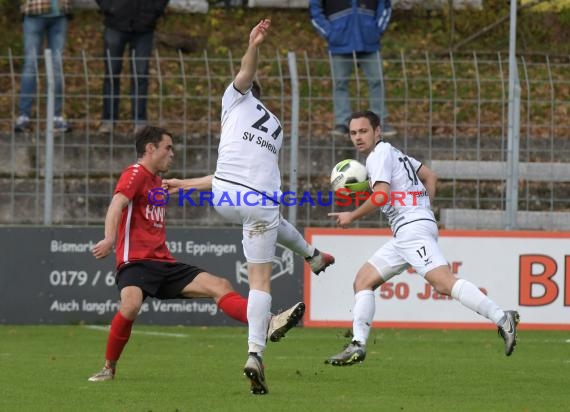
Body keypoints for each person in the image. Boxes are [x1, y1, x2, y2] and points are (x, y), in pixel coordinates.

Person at [164, 19, 335, 395]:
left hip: (225, 195)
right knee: (260, 276)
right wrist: (185, 182)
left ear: (243, 91)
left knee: (271, 218)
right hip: (257, 201)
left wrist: (253, 44)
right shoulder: (274, 124)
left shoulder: (235, 98)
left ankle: (313, 255)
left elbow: (245, 70)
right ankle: (255, 353)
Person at [87, 125, 304, 382]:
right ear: (150, 148)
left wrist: (190, 186)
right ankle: (108, 368)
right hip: (136, 262)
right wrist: (110, 238)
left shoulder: (158, 182)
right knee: (131, 305)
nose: (172, 154)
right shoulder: (135, 173)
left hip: (163, 263)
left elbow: (213, 181)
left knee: (220, 285)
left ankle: (266, 323)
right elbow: (116, 204)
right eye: (168, 148)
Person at [326, 110, 519, 366]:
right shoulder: (395, 153)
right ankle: (358, 345)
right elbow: (430, 176)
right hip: (409, 229)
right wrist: (423, 209)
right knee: (363, 281)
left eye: (364, 131)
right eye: (353, 133)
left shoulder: (378, 155)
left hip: (411, 228)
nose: (358, 137)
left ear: (377, 131)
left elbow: (381, 195)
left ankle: (502, 317)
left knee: (443, 283)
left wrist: (351, 215)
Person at [309, 0, 396, 138]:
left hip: (369, 39)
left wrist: (376, 29)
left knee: (377, 81)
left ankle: (380, 121)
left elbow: (385, 5)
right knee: (340, 84)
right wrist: (330, 33)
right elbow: (315, 8)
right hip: (339, 41)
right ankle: (342, 123)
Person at [96, 0, 169, 133]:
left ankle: (139, 121)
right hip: (115, 23)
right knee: (111, 74)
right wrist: (110, 7)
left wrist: (154, 12)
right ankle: (108, 120)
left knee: (140, 75)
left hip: (144, 26)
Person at [14, 0, 72, 133]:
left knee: (56, 67)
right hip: (34, 12)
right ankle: (24, 116)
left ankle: (55, 117)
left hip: (60, 13)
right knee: (30, 65)